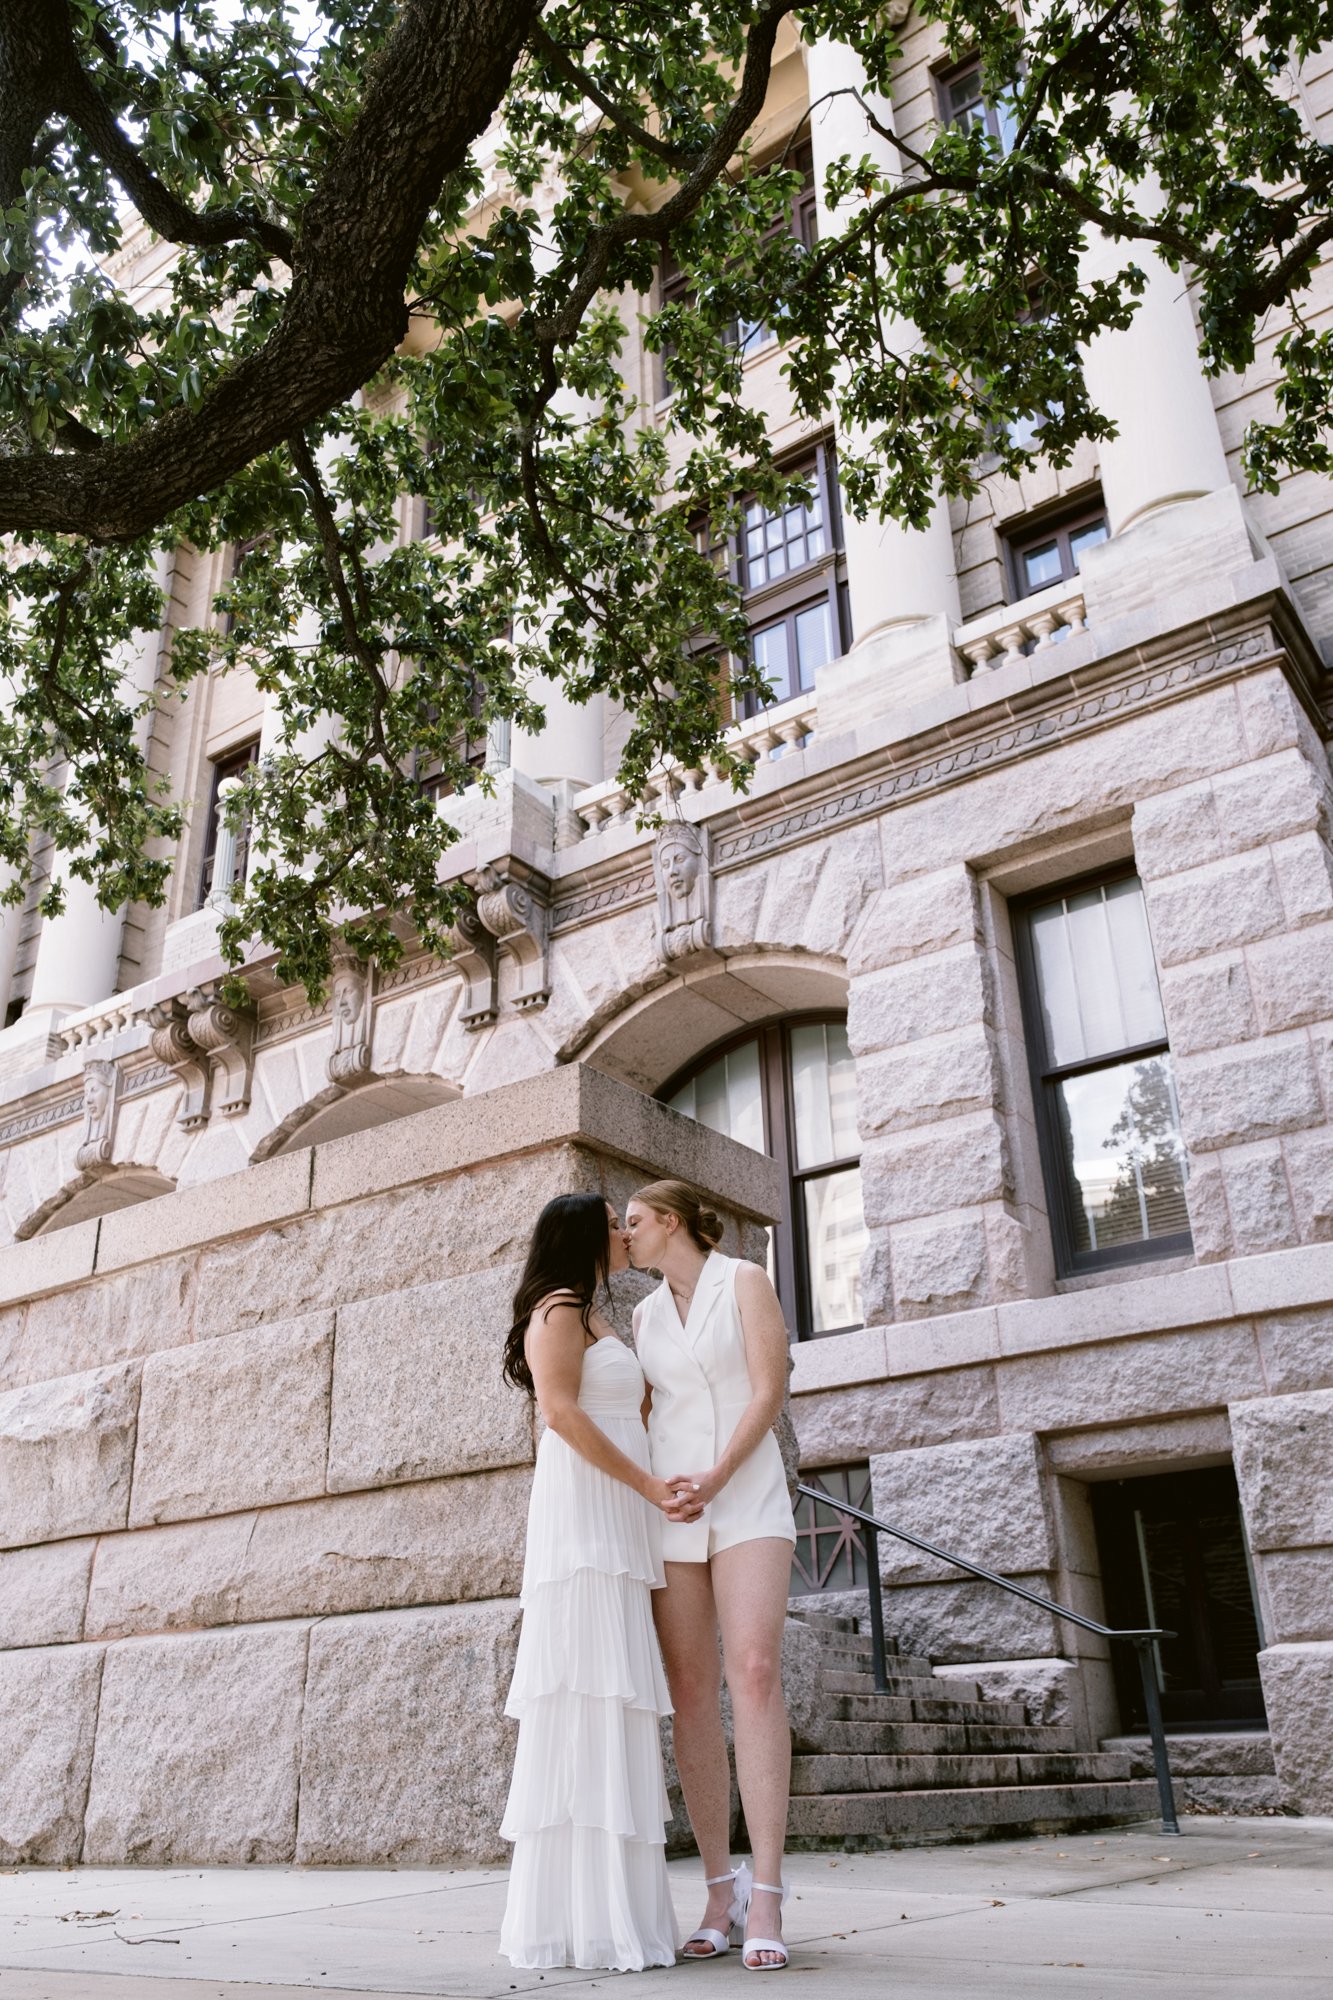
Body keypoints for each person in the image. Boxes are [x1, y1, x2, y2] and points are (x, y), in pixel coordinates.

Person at [497, 1191, 701, 1973]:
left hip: (618, 1518)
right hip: (585, 1518)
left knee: (614, 1692)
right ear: (582, 1236)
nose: (622, 1233)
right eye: (612, 1225)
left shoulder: (599, 1311)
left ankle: (617, 1911)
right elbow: (559, 1412)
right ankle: (581, 1919)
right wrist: (646, 1486)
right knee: (587, 1687)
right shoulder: (557, 1308)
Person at [627, 1180, 797, 1973]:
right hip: (674, 1511)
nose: (625, 1234)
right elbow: (649, 1414)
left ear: (669, 1221)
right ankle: (717, 1892)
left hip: (746, 1495)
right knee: (690, 1692)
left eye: (634, 1222)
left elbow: (769, 1388)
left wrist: (721, 1473)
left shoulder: (744, 1280)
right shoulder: (644, 1315)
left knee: (753, 1671)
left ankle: (767, 1894)